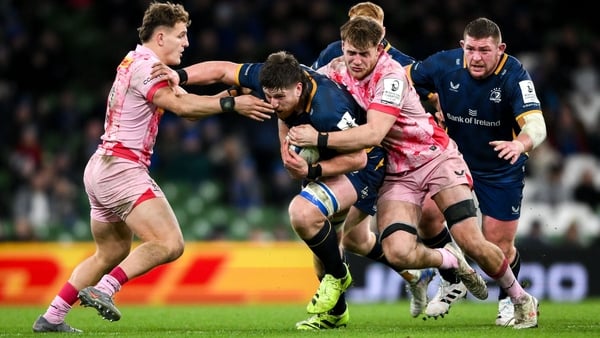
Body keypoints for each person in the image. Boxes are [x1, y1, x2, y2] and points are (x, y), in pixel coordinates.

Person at [151, 50, 461, 330]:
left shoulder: (328, 108)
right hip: (324, 158)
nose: (273, 105)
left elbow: (358, 155)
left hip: (363, 167)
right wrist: (180, 75)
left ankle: (351, 276)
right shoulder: (272, 77)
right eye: (269, 96)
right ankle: (349, 305)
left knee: (307, 217)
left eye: (279, 98)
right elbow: (222, 68)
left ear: (298, 88)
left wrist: (312, 169)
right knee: (330, 246)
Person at [32, 2, 274, 333]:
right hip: (122, 169)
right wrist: (232, 103)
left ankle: (52, 317)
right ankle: (106, 289)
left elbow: (188, 109)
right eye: (181, 35)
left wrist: (228, 94)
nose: (186, 43)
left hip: (100, 167)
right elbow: (178, 104)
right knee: (170, 243)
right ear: (160, 37)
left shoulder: (137, 62)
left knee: (111, 250)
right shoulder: (147, 66)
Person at [287, 16, 538, 329]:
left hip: (435, 158)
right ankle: (449, 261)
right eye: (351, 53)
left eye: (364, 54)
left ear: (379, 50)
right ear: (343, 49)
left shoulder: (390, 76)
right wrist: (248, 93)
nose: (356, 61)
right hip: (397, 174)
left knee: (471, 240)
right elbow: (294, 86)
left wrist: (318, 139)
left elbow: (373, 135)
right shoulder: (335, 70)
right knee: (398, 252)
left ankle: (521, 299)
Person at [408, 17, 547, 326]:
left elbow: (537, 125)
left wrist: (520, 145)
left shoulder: (515, 75)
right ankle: (453, 276)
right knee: (427, 214)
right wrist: (428, 100)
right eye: (470, 49)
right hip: (453, 162)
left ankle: (511, 301)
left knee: (496, 246)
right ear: (462, 47)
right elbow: (400, 79)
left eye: (484, 50)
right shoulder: (444, 64)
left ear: (501, 49)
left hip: (500, 168)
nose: (476, 57)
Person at [312, 1, 436, 319]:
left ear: (381, 36)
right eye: (356, 26)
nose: (357, 51)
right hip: (342, 152)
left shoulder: (398, 64)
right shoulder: (333, 55)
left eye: (369, 28)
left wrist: (438, 111)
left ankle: (333, 312)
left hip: (376, 156)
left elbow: (431, 94)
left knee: (328, 230)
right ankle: (415, 275)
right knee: (357, 239)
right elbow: (309, 89)